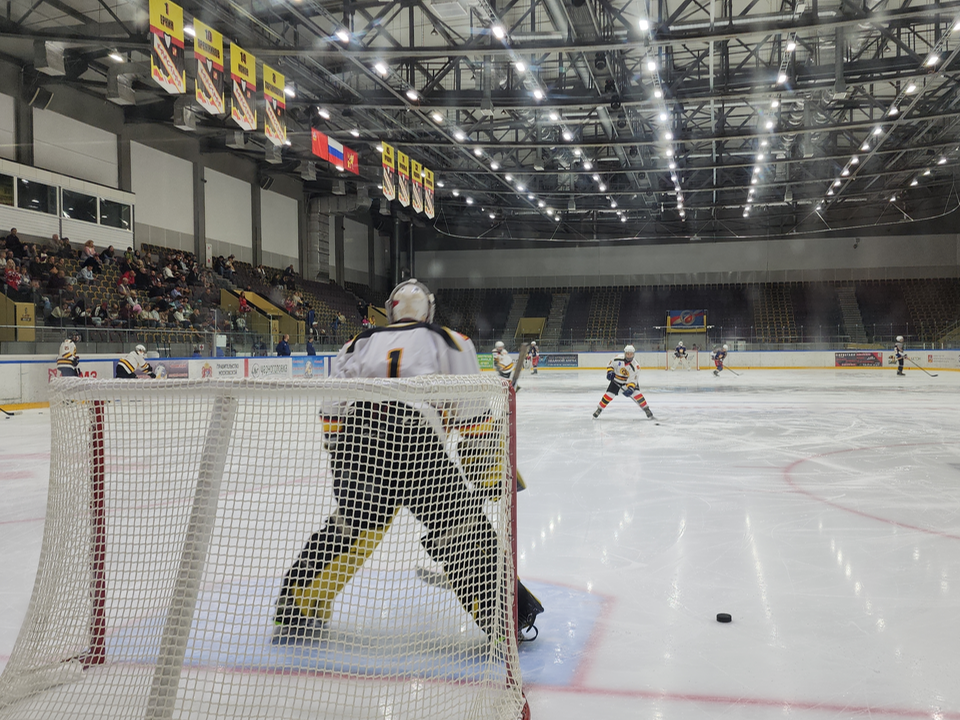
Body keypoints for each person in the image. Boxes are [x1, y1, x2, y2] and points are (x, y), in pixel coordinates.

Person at [274, 278, 543, 640]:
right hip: (418, 446)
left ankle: (295, 606)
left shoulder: (358, 342)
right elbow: (471, 415)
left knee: (351, 530)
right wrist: (490, 471)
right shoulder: (450, 340)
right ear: (428, 309)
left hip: (361, 445)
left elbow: (333, 407)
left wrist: (343, 458)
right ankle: (509, 616)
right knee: (461, 530)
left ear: (391, 310)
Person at [592, 344, 656, 420]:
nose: (629, 356)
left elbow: (633, 379)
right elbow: (610, 364)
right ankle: (599, 409)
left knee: (637, 394)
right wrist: (610, 372)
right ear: (625, 353)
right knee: (608, 395)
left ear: (633, 354)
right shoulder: (617, 358)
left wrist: (631, 388)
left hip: (627, 382)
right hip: (616, 380)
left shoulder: (636, 366)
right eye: (627, 354)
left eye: (631, 354)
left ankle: (646, 409)